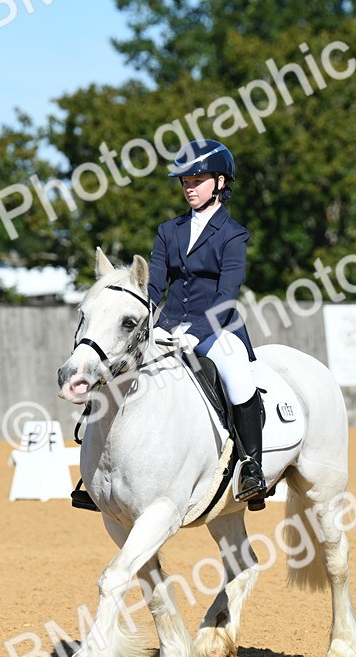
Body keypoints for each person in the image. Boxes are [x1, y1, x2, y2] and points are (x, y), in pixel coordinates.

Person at [147, 139, 268, 509]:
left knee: (238, 378)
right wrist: (145, 320)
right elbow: (154, 283)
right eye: (185, 181)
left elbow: (227, 294)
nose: (189, 187)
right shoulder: (169, 231)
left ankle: (251, 467)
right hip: (169, 324)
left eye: (196, 180)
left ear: (219, 182)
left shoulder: (233, 235)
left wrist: (196, 335)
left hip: (218, 327)